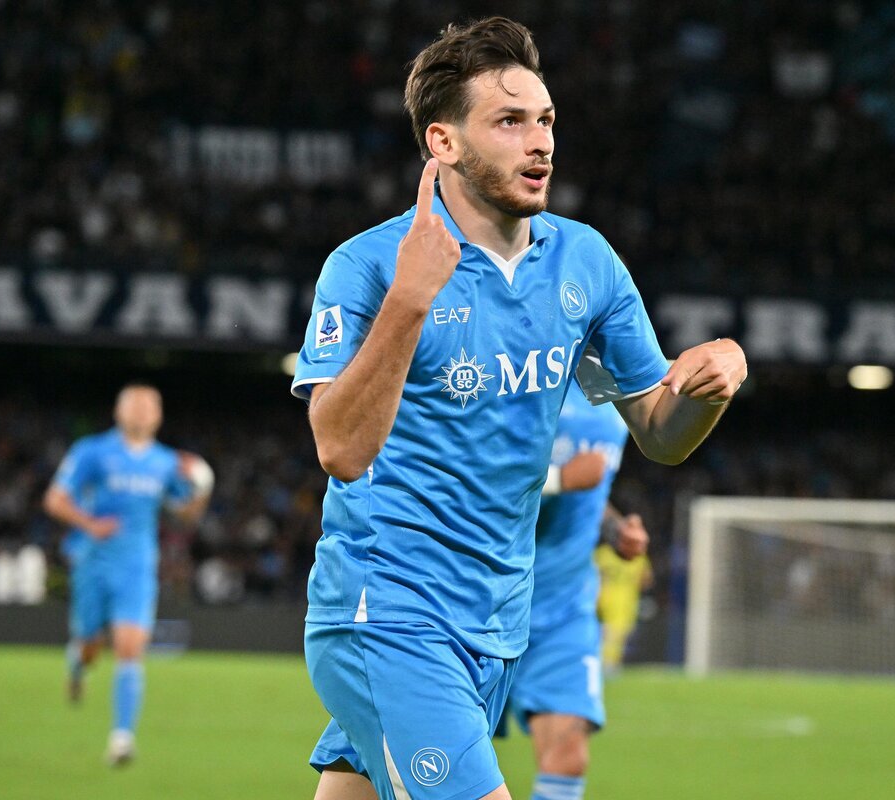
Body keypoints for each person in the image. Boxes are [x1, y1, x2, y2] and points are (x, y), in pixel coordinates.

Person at [293, 17, 747, 800]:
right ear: (443, 142)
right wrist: (410, 299)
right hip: (387, 612)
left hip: (499, 620)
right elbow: (339, 448)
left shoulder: (586, 261)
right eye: (509, 122)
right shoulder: (367, 266)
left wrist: (713, 386)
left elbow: (661, 434)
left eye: (546, 120)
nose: (540, 143)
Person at [42, 383, 213, 766]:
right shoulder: (92, 451)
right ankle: (77, 662)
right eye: (133, 405)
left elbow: (184, 516)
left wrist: (202, 491)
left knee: (129, 648)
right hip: (92, 561)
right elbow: (54, 499)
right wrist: (90, 524)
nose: (140, 412)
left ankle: (122, 738)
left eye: (148, 406)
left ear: (158, 415)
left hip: (137, 565)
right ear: (118, 412)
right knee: (90, 644)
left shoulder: (167, 463)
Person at [501, 388, 649, 800]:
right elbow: (467, 472)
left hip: (564, 610)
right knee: (430, 764)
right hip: (481, 604)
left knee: (568, 756)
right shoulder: (516, 369)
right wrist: (560, 479)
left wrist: (614, 529)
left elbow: (591, 493)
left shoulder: (616, 391)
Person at [594, 538, 654, 675]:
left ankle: (608, 663)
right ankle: (608, 665)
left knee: (612, 633)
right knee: (616, 634)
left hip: (607, 598)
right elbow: (647, 579)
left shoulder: (603, 554)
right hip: (626, 600)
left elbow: (592, 574)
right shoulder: (636, 555)